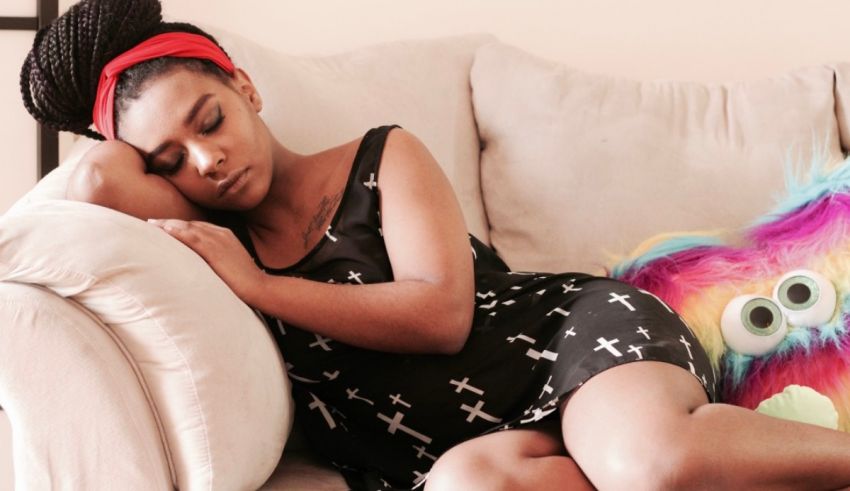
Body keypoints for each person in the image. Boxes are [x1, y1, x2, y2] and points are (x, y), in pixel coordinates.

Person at [19, 0, 850, 489]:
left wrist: (260, 286)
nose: (210, 159)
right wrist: (120, 119)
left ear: (244, 86)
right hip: (458, 447)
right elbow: (93, 182)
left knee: (649, 463)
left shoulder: (383, 158)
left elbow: (444, 316)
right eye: (171, 161)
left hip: (564, 340)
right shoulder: (214, 236)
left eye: (210, 120)